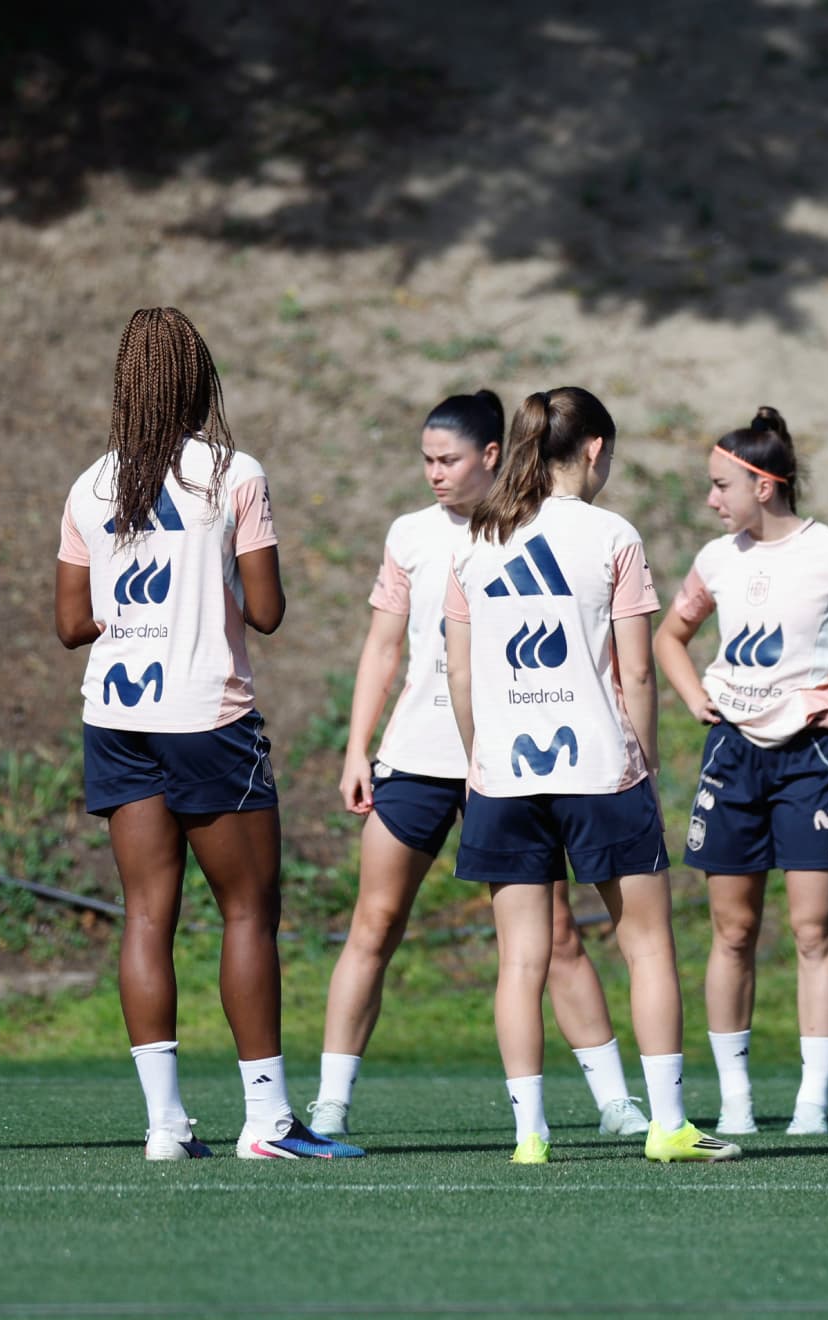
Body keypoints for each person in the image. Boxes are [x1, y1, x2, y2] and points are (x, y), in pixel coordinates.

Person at [57, 307, 360, 1162]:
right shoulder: (234, 473)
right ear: (199, 383)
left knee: (147, 915)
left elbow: (69, 622)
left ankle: (164, 1127)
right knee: (248, 911)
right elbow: (265, 613)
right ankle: (265, 1122)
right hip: (206, 717)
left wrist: (132, 612)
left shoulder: (90, 484)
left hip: (115, 717)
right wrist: (214, 585)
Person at [312, 391, 648, 1140]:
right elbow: (383, 647)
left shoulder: (536, 527)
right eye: (426, 460)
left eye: (449, 460)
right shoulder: (410, 536)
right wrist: (357, 746)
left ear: (493, 456)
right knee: (375, 920)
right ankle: (330, 1103)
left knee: (556, 934)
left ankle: (616, 1103)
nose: (434, 473)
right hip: (420, 760)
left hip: (508, 764)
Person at [445, 386, 739, 1164]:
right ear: (596, 450)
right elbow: (636, 674)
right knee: (646, 947)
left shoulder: (475, 537)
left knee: (521, 962)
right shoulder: (613, 534)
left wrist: (479, 759)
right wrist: (642, 762)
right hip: (599, 769)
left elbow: (461, 675)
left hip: (502, 775)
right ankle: (668, 1125)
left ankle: (529, 1136)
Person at [654, 407, 828, 1136]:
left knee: (815, 933)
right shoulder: (718, 559)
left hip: (809, 758)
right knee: (733, 931)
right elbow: (672, 635)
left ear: (766, 485)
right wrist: (694, 697)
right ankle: (737, 1099)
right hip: (731, 756)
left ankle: (812, 1102)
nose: (712, 501)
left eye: (722, 486)